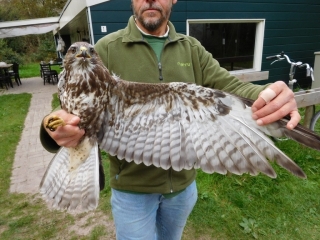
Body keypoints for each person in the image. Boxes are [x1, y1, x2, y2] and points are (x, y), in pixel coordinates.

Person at [40, 0, 300, 239]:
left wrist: (268, 97)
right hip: (132, 193)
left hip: (183, 191)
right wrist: (52, 126)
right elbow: (69, 105)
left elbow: (230, 91)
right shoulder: (105, 49)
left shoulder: (191, 48)